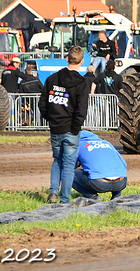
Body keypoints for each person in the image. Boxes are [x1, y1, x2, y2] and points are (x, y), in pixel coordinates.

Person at [40, 46, 90, 204]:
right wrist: (75, 128)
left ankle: (53, 192)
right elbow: (81, 110)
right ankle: (64, 200)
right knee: (68, 165)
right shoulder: (82, 83)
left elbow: (43, 104)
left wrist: (50, 119)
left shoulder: (52, 79)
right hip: (70, 129)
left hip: (55, 128)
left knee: (57, 160)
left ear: (67, 59)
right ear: (82, 62)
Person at [72, 130, 127, 200]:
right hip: (121, 182)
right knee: (117, 170)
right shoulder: (107, 143)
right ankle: (116, 197)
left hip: (99, 184)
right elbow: (124, 164)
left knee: (67, 173)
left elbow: (70, 166)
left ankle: (92, 196)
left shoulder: (78, 145)